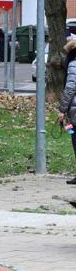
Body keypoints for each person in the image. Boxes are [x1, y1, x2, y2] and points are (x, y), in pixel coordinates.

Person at [57, 38, 76, 184]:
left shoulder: (73, 65)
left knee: (73, 136)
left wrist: (62, 110)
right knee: (70, 130)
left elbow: (70, 89)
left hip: (74, 111)